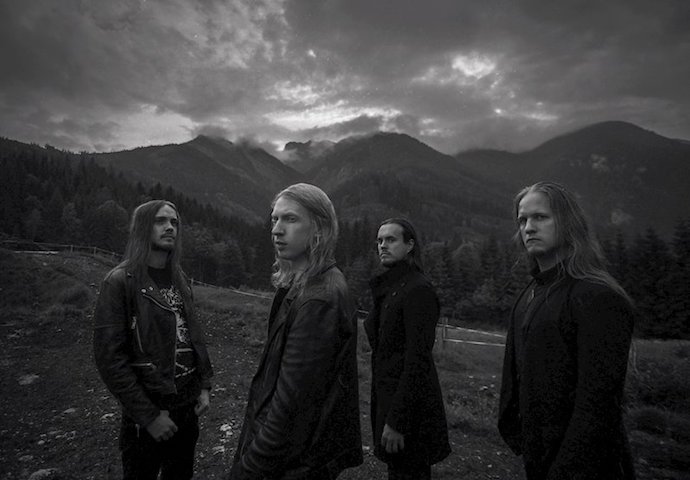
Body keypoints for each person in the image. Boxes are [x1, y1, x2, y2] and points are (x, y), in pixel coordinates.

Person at [498, 182, 636, 480]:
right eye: (522, 220)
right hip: (539, 452)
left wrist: (566, 469)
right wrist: (514, 427)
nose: (528, 228)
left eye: (540, 217)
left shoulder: (597, 296)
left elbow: (598, 405)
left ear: (568, 223)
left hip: (585, 465)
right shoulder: (529, 294)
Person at [229, 183, 362, 480]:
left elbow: (291, 408)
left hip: (293, 464)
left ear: (319, 228)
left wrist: (249, 468)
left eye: (290, 219)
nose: (277, 230)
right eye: (274, 219)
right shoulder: (302, 283)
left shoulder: (319, 299)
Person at [93, 200, 214, 480]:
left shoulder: (179, 278)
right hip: (149, 410)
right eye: (160, 221)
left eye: (174, 222)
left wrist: (204, 385)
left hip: (187, 407)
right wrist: (148, 416)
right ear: (142, 228)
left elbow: (193, 335)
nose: (170, 227)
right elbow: (110, 359)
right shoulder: (120, 281)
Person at [364, 218, 451, 480]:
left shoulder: (418, 290)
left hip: (411, 412)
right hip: (390, 398)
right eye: (380, 240)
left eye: (391, 240)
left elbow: (417, 360)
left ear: (410, 245)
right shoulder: (391, 286)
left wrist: (397, 421)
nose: (383, 245)